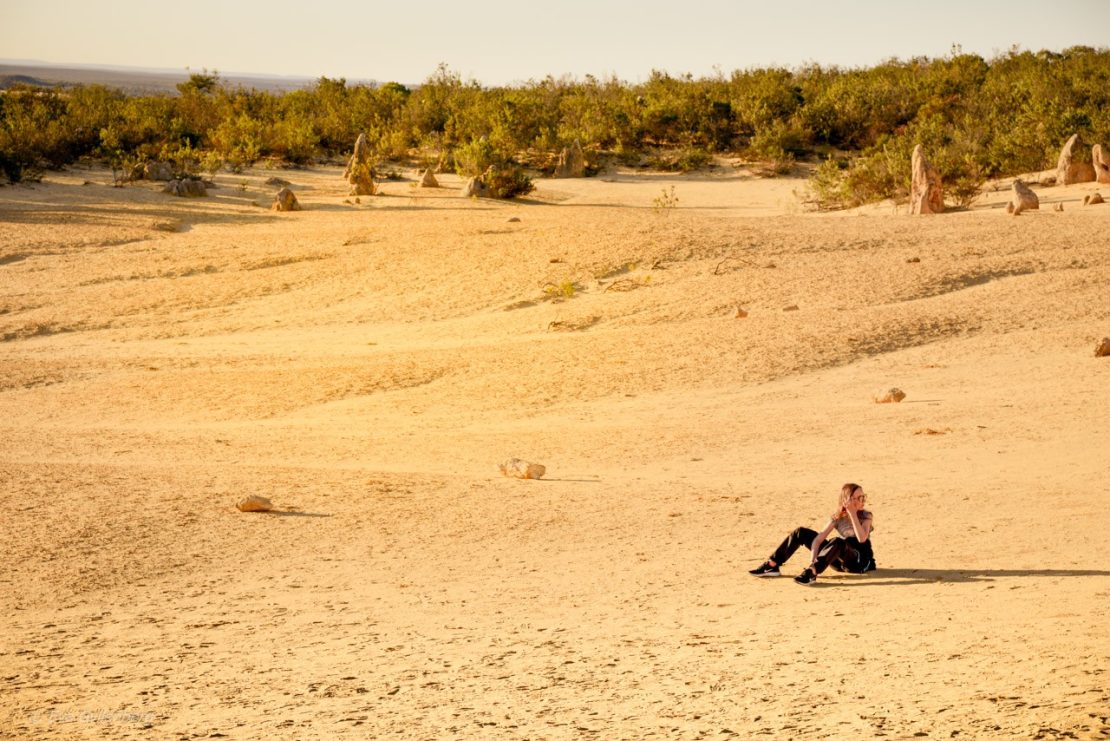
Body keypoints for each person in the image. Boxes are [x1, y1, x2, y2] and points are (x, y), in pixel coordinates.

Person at [748, 483, 876, 585]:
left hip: (858, 561)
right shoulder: (838, 517)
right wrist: (813, 557)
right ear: (847, 500)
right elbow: (819, 539)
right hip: (838, 560)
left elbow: (862, 538)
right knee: (801, 532)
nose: (862, 500)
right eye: (858, 498)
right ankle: (772, 565)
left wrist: (853, 514)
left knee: (838, 541)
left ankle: (812, 572)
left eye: (863, 497)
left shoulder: (866, 516)